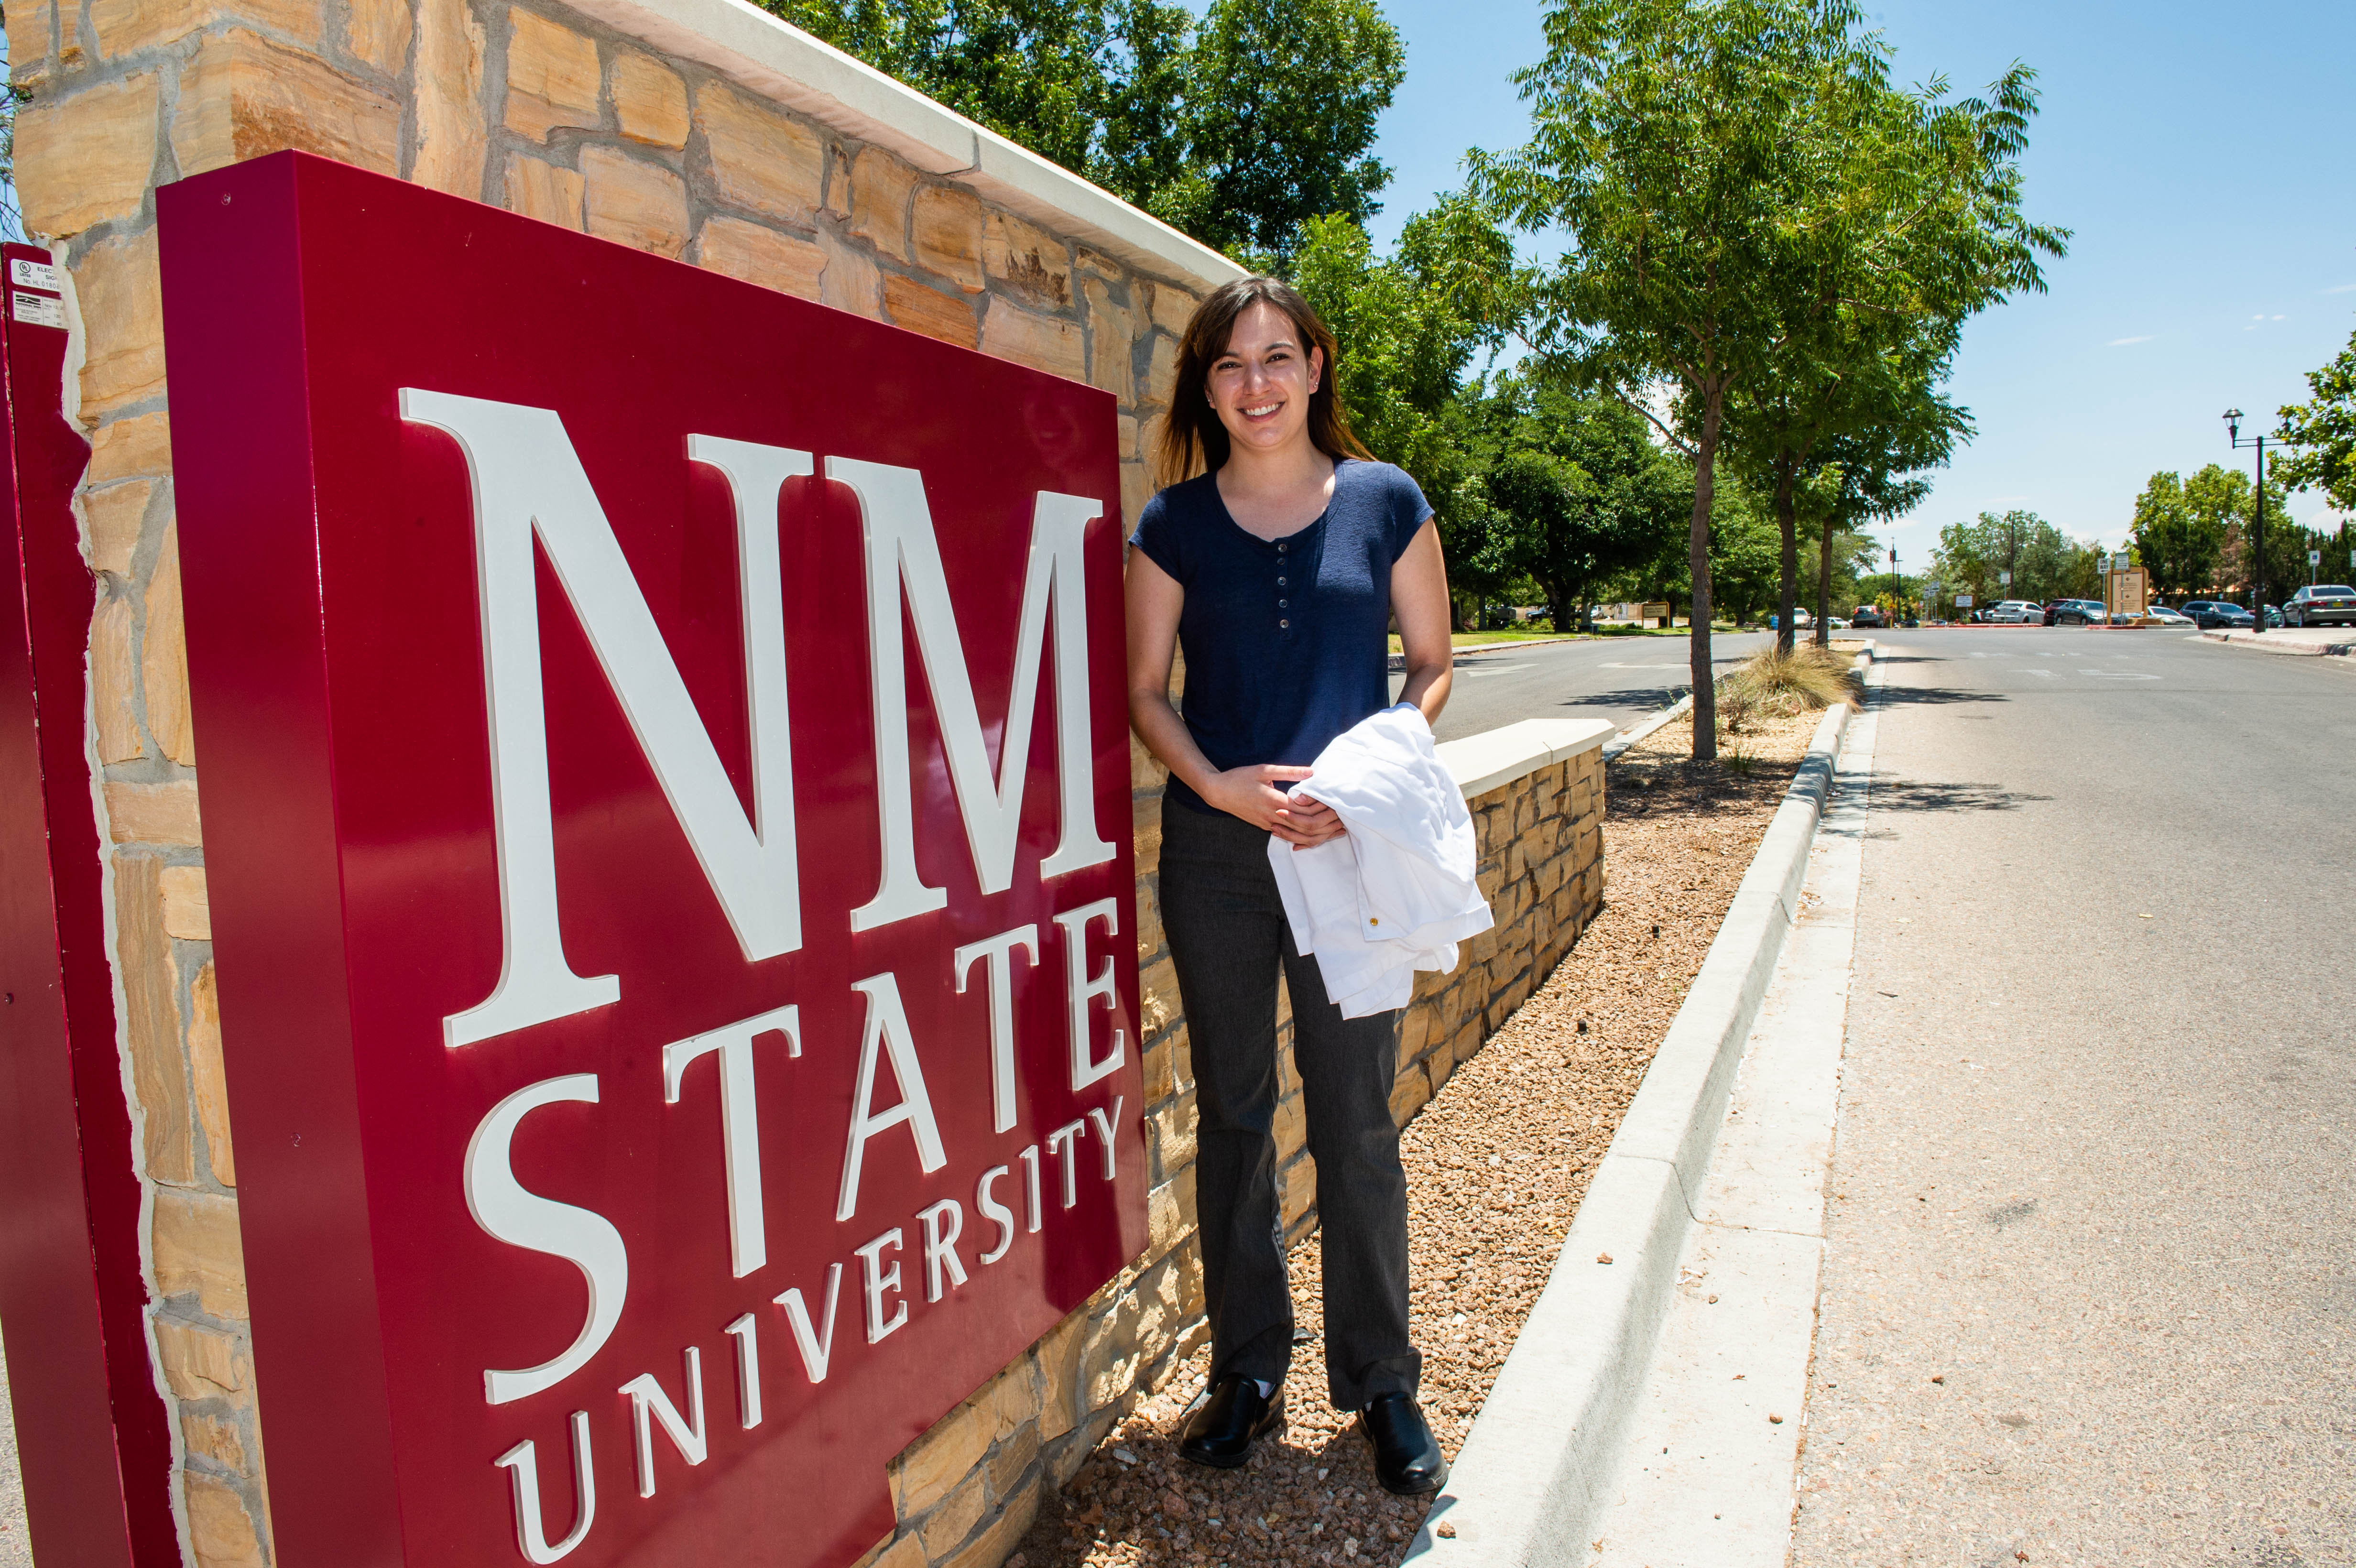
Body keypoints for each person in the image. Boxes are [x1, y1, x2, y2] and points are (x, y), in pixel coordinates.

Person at [1124, 275, 1455, 1495]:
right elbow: (1147, 691)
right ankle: (1248, 1370)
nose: (1254, 383)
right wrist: (1218, 789)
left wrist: (1368, 775)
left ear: (1315, 366)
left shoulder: (1385, 501)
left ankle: (1384, 1383)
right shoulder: (1172, 522)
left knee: (1357, 1116)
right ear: (1205, 385)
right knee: (1234, 1113)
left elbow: (1429, 667)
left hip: (1346, 847)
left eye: (1275, 357)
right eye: (1229, 364)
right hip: (1218, 856)